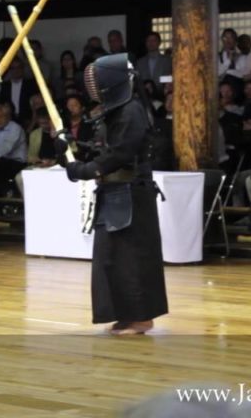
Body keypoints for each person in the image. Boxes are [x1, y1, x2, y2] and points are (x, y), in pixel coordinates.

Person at [53, 54, 167, 335]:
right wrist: (67, 147)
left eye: (97, 80)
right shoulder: (115, 111)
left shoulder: (131, 111)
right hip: (113, 192)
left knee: (132, 259)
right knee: (111, 258)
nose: (92, 86)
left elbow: (120, 154)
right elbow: (103, 148)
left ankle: (141, 317)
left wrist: (83, 170)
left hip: (132, 193)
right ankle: (126, 314)